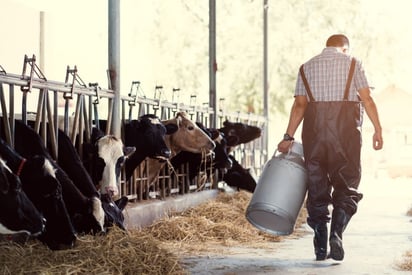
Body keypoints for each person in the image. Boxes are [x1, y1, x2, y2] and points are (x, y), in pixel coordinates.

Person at [277, 34, 383, 261]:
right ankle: (336, 233)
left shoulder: (306, 67)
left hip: (314, 135)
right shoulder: (354, 63)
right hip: (346, 136)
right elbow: (367, 99)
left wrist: (288, 136)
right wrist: (378, 129)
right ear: (345, 48)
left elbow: (299, 105)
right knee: (347, 184)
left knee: (317, 185)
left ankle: (320, 243)